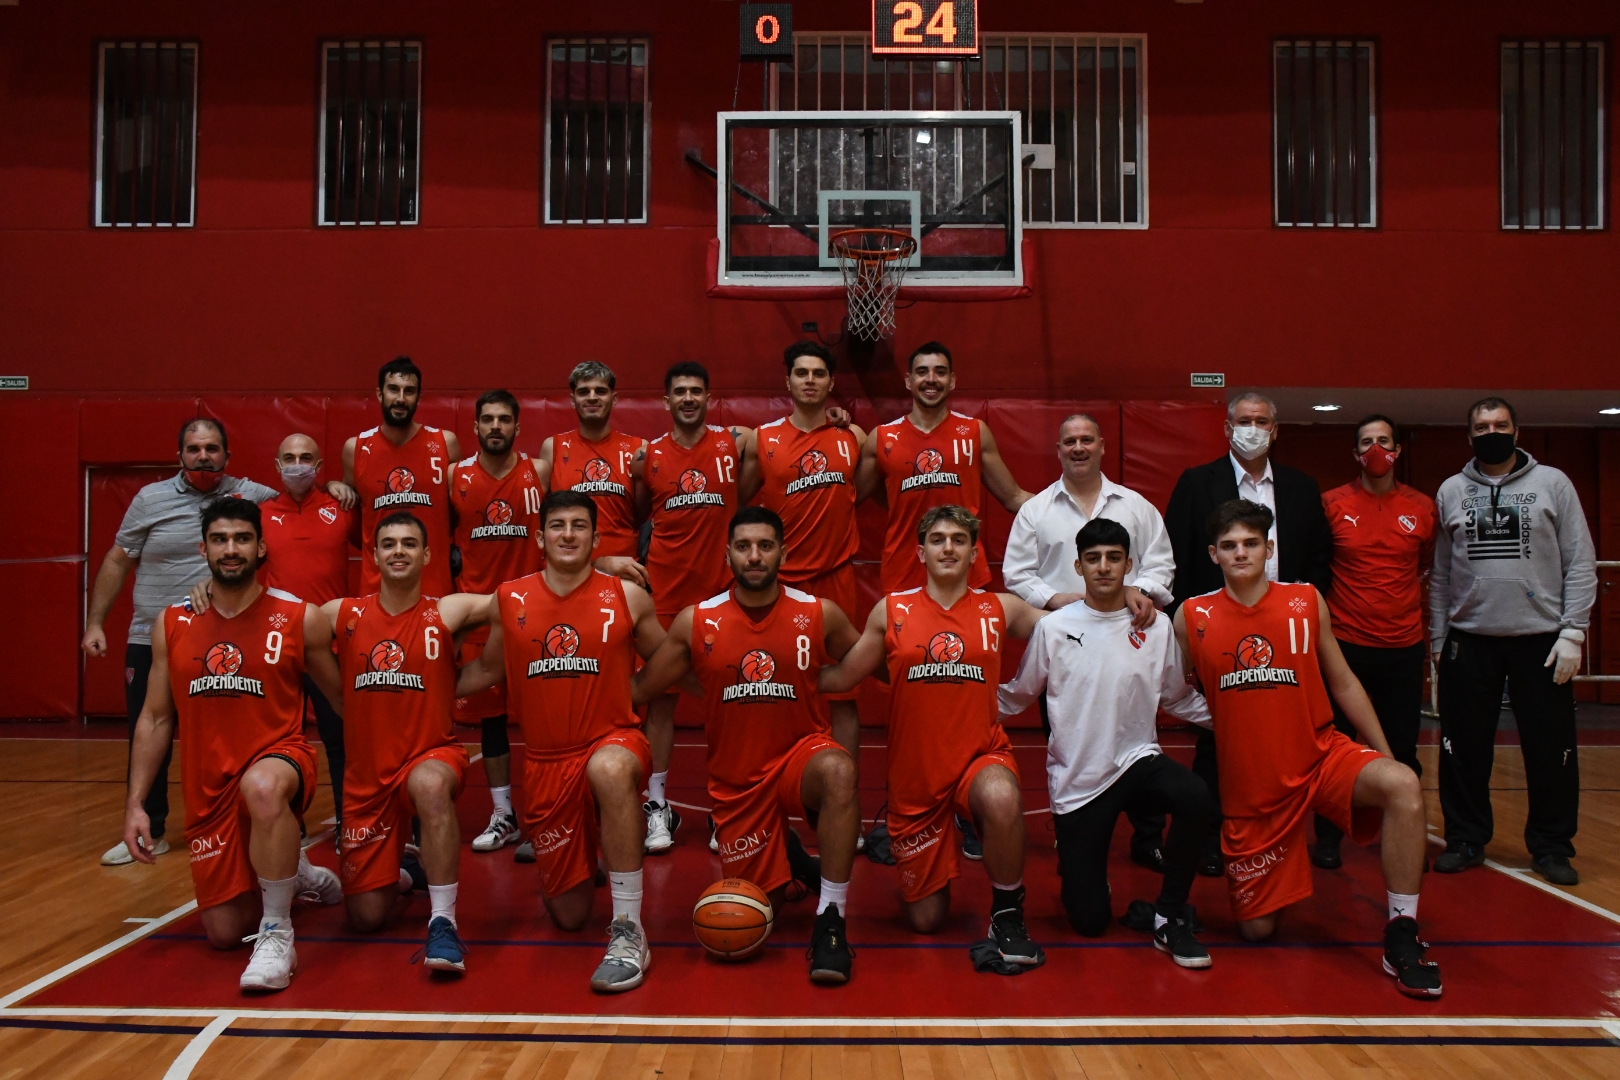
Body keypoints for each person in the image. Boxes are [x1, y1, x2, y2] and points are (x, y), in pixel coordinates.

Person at [1174, 499, 1442, 998]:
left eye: (1251, 543)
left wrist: (1386, 754)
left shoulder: (1305, 600)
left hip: (1321, 756)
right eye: (1229, 546)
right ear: (1213, 554)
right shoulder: (1192, 616)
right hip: (1254, 787)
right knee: (1257, 931)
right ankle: (1282, 874)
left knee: (1402, 785)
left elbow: (1342, 682)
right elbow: (1173, 694)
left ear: (1268, 548)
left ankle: (1402, 932)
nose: (1241, 553)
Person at [632, 506, 863, 984]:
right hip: (739, 784)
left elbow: (870, 660)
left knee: (839, 770)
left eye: (765, 545)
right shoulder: (699, 621)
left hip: (802, 757)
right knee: (758, 913)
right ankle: (795, 859)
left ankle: (832, 919)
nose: (754, 556)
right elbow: (645, 687)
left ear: (783, 551)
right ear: (728, 554)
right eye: (743, 547)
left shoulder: (818, 613)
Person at [122, 498, 344, 992]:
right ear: (203, 548)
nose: (231, 549)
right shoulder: (172, 624)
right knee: (223, 933)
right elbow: (156, 717)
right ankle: (297, 872)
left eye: (242, 539)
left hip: (280, 761)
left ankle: (277, 932)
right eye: (220, 539)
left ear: (261, 547)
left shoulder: (296, 617)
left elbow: (344, 701)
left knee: (262, 786)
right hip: (210, 788)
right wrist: (136, 803)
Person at [455, 492, 667, 993]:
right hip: (547, 762)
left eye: (578, 526)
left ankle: (629, 929)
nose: (567, 534)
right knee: (568, 915)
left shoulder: (627, 596)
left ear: (596, 539)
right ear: (539, 537)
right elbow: (486, 668)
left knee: (610, 771)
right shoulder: (511, 599)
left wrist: (636, 690)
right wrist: (421, 685)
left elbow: (668, 657)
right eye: (556, 525)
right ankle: (591, 847)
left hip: (613, 740)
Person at [820, 505, 1046, 970]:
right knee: (925, 919)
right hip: (915, 780)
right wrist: (775, 667)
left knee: (1002, 797)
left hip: (978, 759)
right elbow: (843, 678)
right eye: (939, 539)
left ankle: (1007, 913)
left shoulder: (999, 608)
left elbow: (1070, 627)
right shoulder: (892, 611)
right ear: (920, 551)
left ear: (975, 552)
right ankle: (935, 854)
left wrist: (1122, 599)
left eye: (959, 540)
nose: (949, 547)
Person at [999, 518, 1214, 969]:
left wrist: (1238, 721)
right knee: (1090, 920)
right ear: (1078, 566)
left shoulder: (1152, 628)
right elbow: (1019, 694)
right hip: (1080, 781)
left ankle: (1170, 916)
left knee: (1194, 795)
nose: (1103, 567)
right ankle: (1084, 875)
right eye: (1093, 559)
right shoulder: (1054, 628)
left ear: (1129, 565)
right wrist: (950, 706)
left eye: (1113, 558)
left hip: (1138, 760)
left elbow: (1177, 696)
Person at [85, 416, 279, 866]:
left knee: (223, 736)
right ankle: (147, 828)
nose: (203, 456)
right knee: (148, 728)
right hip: (149, 637)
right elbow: (117, 560)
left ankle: (243, 821)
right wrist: (96, 622)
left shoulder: (252, 496)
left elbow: (299, 509)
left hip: (219, 642)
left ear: (227, 456)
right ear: (180, 456)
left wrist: (335, 489)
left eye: (212, 448)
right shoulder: (149, 499)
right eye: (194, 449)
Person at [1164, 392, 1333, 876]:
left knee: (1293, 737)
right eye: (1244, 420)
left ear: (1275, 430)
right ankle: (1211, 837)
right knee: (1218, 740)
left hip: (1286, 629)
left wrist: (1302, 615)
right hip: (1219, 628)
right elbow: (1177, 557)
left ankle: (1304, 837)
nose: (1253, 428)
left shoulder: (1301, 488)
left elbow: (1320, 560)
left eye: (1262, 421)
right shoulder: (1198, 483)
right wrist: (1194, 632)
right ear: (1227, 427)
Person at [1430, 397, 1597, 886]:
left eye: (1500, 424)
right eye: (1481, 426)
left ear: (1517, 431)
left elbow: (1581, 562)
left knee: (1552, 751)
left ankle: (1551, 846)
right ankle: (1464, 839)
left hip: (1541, 641)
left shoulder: (1554, 484)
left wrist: (1573, 631)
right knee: (1462, 749)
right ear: (1469, 436)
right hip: (1470, 640)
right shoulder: (1451, 490)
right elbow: (1440, 575)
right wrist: (1439, 640)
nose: (1491, 432)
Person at [1001, 412, 1173, 871]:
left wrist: (1141, 590)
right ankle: (1071, 829)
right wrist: (1058, 599)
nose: (1078, 448)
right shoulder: (1036, 510)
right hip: (1065, 642)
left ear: (1101, 446)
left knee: (1139, 737)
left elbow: (1161, 565)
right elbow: (1016, 573)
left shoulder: (1136, 507)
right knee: (1064, 737)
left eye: (1086, 440)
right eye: (1069, 442)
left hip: (1128, 639)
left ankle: (1148, 836)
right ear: (1058, 450)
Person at [322, 511, 491, 973]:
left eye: (410, 543)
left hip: (430, 754)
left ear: (427, 554)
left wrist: (461, 680)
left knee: (430, 786)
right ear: (373, 555)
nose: (399, 550)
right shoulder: (342, 614)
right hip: (367, 776)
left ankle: (443, 922)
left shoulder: (446, 611)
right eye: (389, 543)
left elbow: (520, 603)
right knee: (365, 918)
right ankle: (400, 871)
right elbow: (277, 627)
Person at [1313, 415, 1436, 870]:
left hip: (1403, 646)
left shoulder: (1422, 507)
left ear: (1398, 450)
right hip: (1344, 645)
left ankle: (1405, 837)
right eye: (1367, 442)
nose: (1376, 449)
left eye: (1384, 441)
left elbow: (1424, 564)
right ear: (1355, 453)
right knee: (1335, 745)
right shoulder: (1331, 504)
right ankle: (1327, 839)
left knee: (1402, 747)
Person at [634, 362, 746, 855]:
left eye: (696, 391)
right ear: (666, 400)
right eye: (678, 391)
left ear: (708, 396)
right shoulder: (648, 456)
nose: (687, 398)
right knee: (659, 703)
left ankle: (728, 808)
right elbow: (637, 512)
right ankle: (658, 807)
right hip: (663, 598)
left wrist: (836, 417)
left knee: (727, 702)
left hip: (720, 598)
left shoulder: (733, 443)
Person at [859, 342, 1033, 595]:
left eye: (940, 372)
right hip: (904, 572)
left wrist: (1069, 506)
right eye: (922, 372)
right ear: (908, 380)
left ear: (951, 380)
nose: (931, 379)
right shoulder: (882, 437)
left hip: (965, 571)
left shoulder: (975, 432)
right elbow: (846, 498)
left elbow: (1014, 497)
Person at [452, 390, 545, 860]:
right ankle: (503, 814)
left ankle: (544, 817)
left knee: (541, 724)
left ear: (517, 427)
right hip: (481, 618)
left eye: (504, 420)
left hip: (535, 616)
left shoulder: (539, 472)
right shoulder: (456, 478)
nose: (495, 427)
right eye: (487, 419)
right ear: (475, 427)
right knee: (491, 724)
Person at [260, 432, 356, 838]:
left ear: (319, 467)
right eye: (289, 458)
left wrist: (341, 488)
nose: (297, 464)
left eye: (306, 458)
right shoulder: (260, 514)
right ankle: (287, 825)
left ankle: (349, 824)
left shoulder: (343, 506)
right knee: (279, 745)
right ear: (277, 465)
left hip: (330, 646)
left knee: (340, 742)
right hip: (277, 646)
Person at [343, 356, 459, 600]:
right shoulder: (356, 448)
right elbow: (351, 515)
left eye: (409, 391)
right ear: (379, 393)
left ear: (418, 397)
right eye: (393, 389)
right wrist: (334, 486)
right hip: (377, 587)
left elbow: (458, 510)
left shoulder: (444, 443)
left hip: (434, 586)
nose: (400, 399)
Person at [535, 361, 647, 572]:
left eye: (601, 391)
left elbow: (640, 515)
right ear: (572, 400)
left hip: (623, 569)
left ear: (614, 399)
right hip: (567, 570)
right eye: (584, 391)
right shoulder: (553, 448)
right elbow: (544, 515)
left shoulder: (638, 449)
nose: (592, 397)